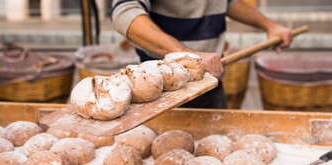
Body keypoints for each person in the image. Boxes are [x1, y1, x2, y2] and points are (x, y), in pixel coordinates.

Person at [111, 0, 292, 109]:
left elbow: (227, 2)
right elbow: (124, 13)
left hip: (211, 85)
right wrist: (187, 56)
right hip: (162, 93)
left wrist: (269, 25)